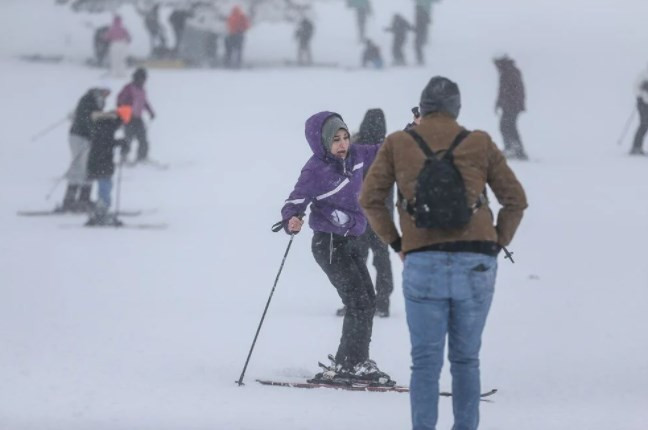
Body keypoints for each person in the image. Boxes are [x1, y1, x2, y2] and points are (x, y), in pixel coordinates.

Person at [360, 76, 527, 430]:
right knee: (466, 360)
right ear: (457, 108)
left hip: (423, 259)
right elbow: (515, 200)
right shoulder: (478, 142)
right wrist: (495, 244)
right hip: (476, 260)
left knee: (425, 362)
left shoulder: (398, 143)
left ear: (422, 108)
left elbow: (370, 199)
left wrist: (398, 244)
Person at [280, 111, 393, 385]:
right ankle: (349, 363)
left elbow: (387, 150)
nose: (343, 145)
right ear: (322, 143)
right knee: (357, 301)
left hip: (352, 240)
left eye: (344, 138)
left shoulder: (357, 156)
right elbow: (294, 202)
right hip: (329, 244)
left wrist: (413, 131)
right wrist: (291, 219)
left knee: (368, 300)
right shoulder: (315, 169)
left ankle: (356, 361)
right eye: (335, 140)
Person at [337, 109, 393, 318]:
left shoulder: (354, 148)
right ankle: (382, 302)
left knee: (356, 259)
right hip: (381, 214)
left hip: (356, 213)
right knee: (381, 258)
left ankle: (357, 301)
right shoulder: (387, 149)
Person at [61, 87, 111, 212]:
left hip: (87, 138)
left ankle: (84, 198)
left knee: (89, 166)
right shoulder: (88, 100)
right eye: (105, 92)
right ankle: (70, 199)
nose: (107, 95)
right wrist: (94, 134)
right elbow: (87, 120)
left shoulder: (97, 101)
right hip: (79, 137)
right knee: (79, 166)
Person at [86, 105, 132, 226]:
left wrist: (118, 143)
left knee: (105, 184)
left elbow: (103, 142)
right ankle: (101, 213)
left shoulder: (105, 122)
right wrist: (120, 142)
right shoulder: (108, 124)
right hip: (101, 161)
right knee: (105, 186)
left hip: (99, 159)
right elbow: (104, 143)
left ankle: (100, 211)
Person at [117, 68, 156, 163]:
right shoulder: (128, 88)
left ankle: (142, 157)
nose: (144, 81)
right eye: (142, 79)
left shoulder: (142, 90)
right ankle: (124, 158)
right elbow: (120, 100)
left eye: (144, 79)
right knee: (128, 139)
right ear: (136, 78)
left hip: (138, 118)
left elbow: (144, 102)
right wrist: (124, 112)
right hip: (128, 118)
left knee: (143, 138)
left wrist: (150, 111)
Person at [494, 54, 528, 160]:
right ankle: (513, 149)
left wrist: (510, 104)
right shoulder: (507, 71)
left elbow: (514, 91)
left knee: (507, 126)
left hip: (512, 106)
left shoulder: (509, 72)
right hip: (510, 105)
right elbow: (503, 91)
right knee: (507, 126)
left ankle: (515, 150)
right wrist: (498, 103)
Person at [630, 64, 648, 155]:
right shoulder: (644, 75)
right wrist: (640, 97)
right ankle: (636, 147)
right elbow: (635, 87)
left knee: (644, 125)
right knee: (644, 124)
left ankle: (637, 147)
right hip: (644, 104)